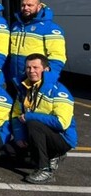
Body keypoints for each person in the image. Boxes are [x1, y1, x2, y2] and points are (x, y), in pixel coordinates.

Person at [11, 53, 76, 184]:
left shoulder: (59, 91)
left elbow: (61, 123)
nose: (31, 71)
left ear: (45, 70)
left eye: (36, 67)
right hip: (40, 132)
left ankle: (45, 170)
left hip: (62, 138)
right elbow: (16, 114)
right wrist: (18, 136)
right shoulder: (24, 88)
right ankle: (52, 156)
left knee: (33, 124)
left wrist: (30, 116)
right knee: (8, 152)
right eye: (28, 68)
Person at [9, 0, 67, 81]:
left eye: (30, 5)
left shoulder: (51, 28)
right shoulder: (15, 26)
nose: (25, 8)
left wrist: (48, 77)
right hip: (15, 79)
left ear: (39, 7)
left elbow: (58, 56)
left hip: (35, 79)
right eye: (23, 5)